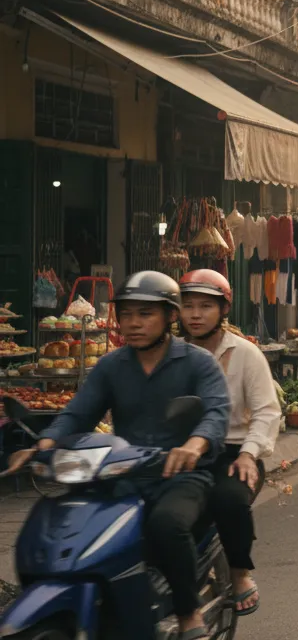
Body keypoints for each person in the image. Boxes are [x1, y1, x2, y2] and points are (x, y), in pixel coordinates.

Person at [8, 272, 230, 639]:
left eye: (145, 314)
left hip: (179, 475)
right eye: (126, 314)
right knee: (71, 524)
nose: (133, 323)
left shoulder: (198, 363)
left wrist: (195, 444)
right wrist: (43, 444)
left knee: (167, 525)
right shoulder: (112, 366)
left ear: (169, 316)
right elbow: (78, 413)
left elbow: (216, 413)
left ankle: (189, 612)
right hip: (120, 473)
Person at [178, 269, 282, 617]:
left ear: (223, 309)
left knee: (229, 500)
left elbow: (267, 411)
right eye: (187, 306)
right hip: (181, 453)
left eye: (205, 306)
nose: (195, 315)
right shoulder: (170, 354)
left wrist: (250, 455)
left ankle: (239, 573)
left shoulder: (246, 354)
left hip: (235, 452)